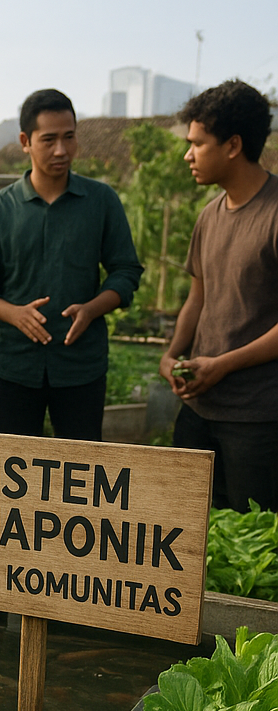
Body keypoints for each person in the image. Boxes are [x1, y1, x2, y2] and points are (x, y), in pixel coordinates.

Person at [0, 88, 143, 440]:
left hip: (81, 367)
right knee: (10, 473)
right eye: (49, 140)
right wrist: (13, 313)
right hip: (15, 366)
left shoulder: (102, 201)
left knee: (81, 475)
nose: (61, 150)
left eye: (69, 137)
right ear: (25, 141)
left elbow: (126, 271)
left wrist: (92, 308)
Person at [159, 80, 278, 513]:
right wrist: (172, 354)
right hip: (198, 406)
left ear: (232, 145)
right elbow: (199, 297)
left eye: (197, 144)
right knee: (185, 530)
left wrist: (223, 365)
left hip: (256, 416)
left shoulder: (274, 212)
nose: (188, 154)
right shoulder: (210, 214)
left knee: (254, 539)